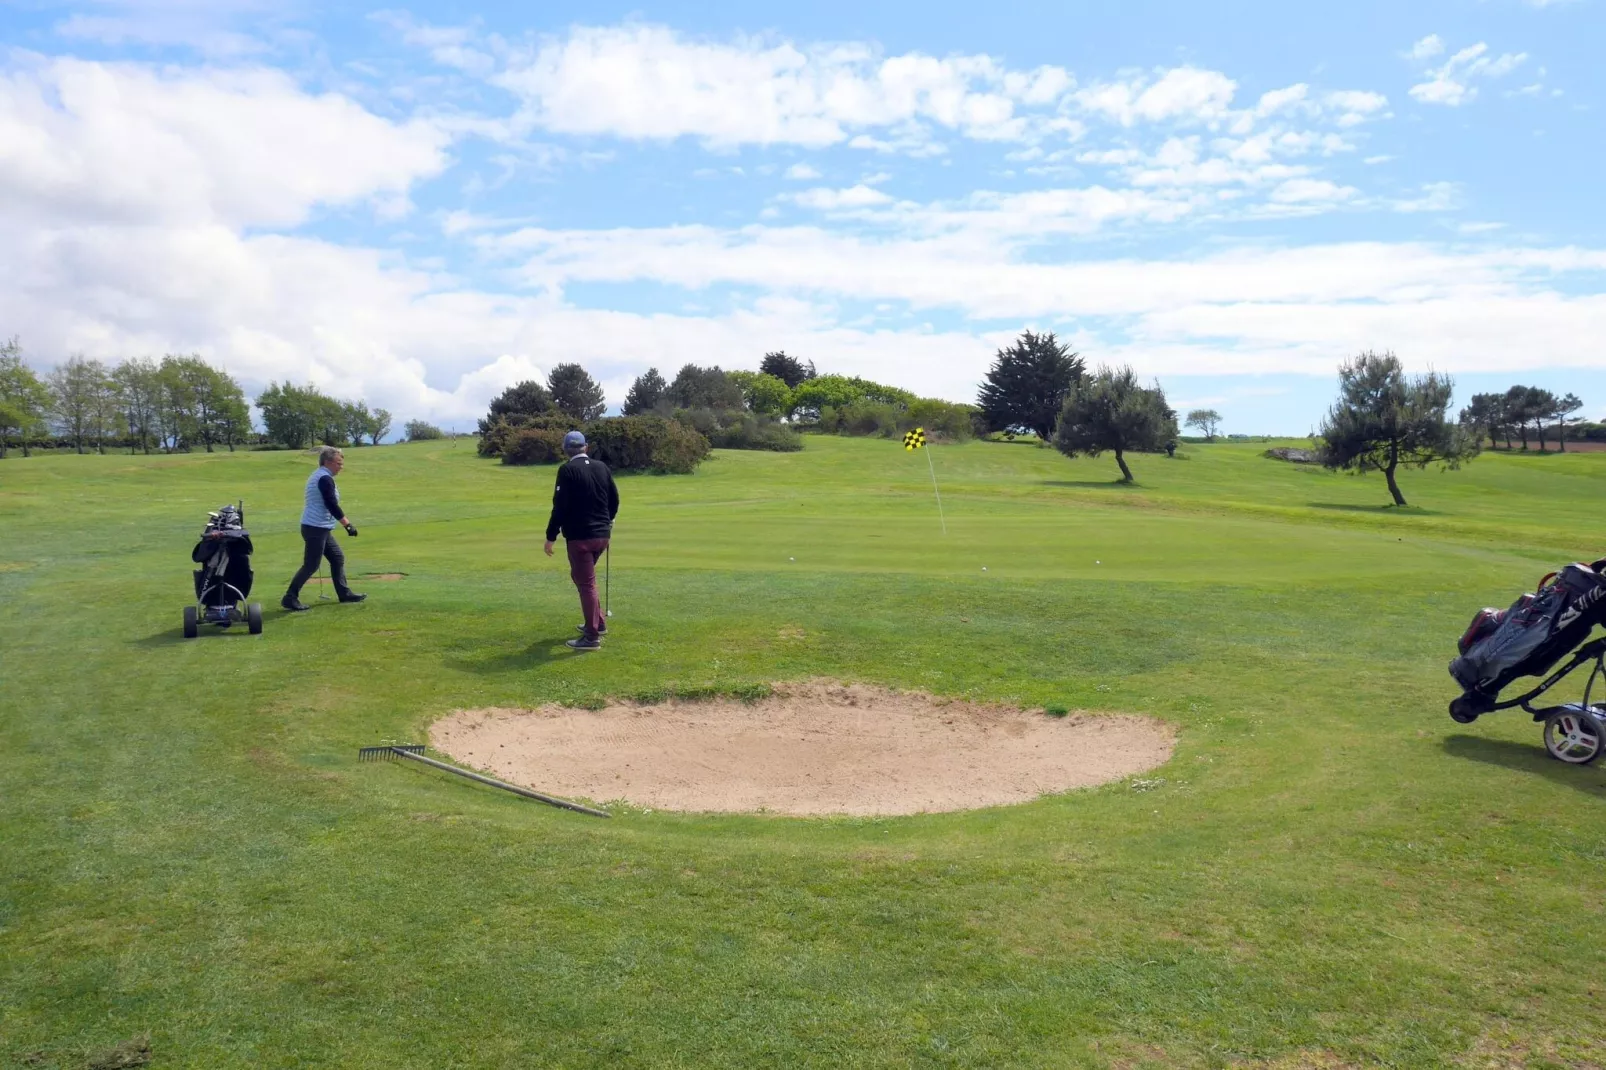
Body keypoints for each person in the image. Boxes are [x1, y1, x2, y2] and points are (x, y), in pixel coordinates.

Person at [544, 431, 619, 651]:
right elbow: (614, 500)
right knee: (583, 579)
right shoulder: (602, 467)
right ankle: (599, 622)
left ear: (566, 450)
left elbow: (560, 507)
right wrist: (608, 520)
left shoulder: (567, 470)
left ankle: (591, 637)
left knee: (586, 583)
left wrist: (550, 537)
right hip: (602, 536)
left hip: (580, 539)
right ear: (585, 447)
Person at [281, 446, 365, 611]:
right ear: (328, 462)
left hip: (319, 527)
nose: (341, 466)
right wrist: (347, 524)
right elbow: (331, 504)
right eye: (338, 463)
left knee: (337, 558)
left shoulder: (320, 476)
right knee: (311, 565)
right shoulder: (324, 478)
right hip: (315, 528)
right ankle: (290, 597)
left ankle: (344, 593)